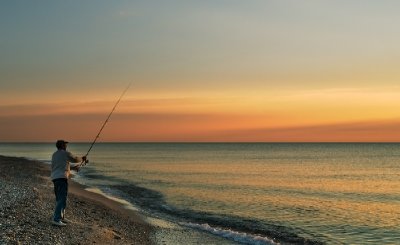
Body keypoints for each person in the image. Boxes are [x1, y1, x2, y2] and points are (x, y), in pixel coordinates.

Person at [50, 140, 87, 226]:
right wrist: (82, 158)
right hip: (61, 178)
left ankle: (61, 217)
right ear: (62, 145)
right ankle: (56, 219)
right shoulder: (65, 153)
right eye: (65, 144)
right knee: (61, 198)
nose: (66, 146)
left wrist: (73, 168)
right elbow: (75, 159)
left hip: (55, 178)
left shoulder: (54, 155)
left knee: (61, 198)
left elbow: (61, 166)